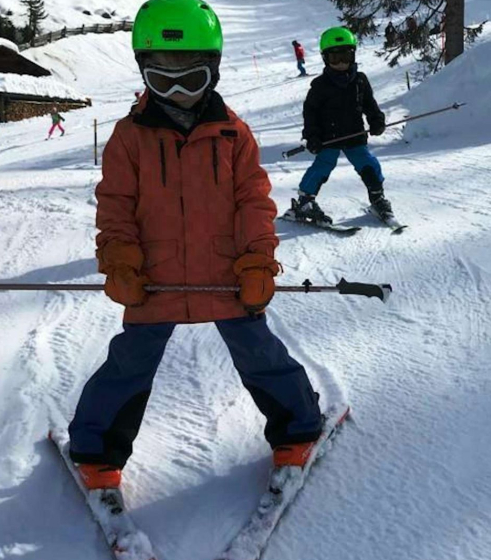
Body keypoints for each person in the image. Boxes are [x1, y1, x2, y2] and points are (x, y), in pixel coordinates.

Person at [66, 0, 324, 491]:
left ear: (215, 70)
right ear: (143, 74)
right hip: (154, 283)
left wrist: (257, 263)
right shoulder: (128, 138)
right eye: (164, 80)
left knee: (259, 353)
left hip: (226, 278)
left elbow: (254, 202)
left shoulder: (233, 134)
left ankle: (299, 428)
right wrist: (119, 258)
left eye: (192, 78)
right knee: (129, 364)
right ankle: (97, 452)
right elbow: (115, 203)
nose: (179, 92)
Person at [285, 27, 392, 225]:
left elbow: (369, 104)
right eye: (335, 58)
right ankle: (304, 202)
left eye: (346, 56)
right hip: (328, 137)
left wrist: (376, 120)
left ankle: (377, 198)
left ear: (353, 55)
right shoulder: (320, 84)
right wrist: (312, 136)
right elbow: (310, 112)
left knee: (368, 164)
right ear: (326, 59)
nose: (341, 63)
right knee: (323, 166)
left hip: (354, 134)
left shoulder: (360, 80)